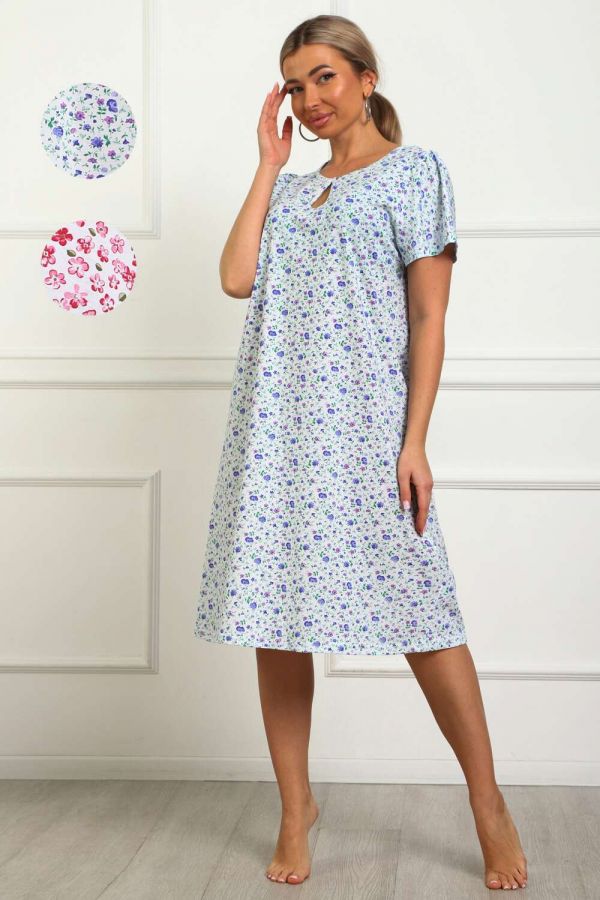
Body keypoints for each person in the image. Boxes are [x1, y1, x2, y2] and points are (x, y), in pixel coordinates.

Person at [195, 13, 528, 892]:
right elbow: (235, 278)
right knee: (275, 621)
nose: (310, 99)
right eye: (295, 85)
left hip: (369, 434)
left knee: (424, 613)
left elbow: (429, 317)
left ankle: (488, 803)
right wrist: (268, 166)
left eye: (325, 77)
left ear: (366, 79)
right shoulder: (292, 190)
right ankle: (294, 806)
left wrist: (414, 441)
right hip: (276, 435)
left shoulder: (416, 174)